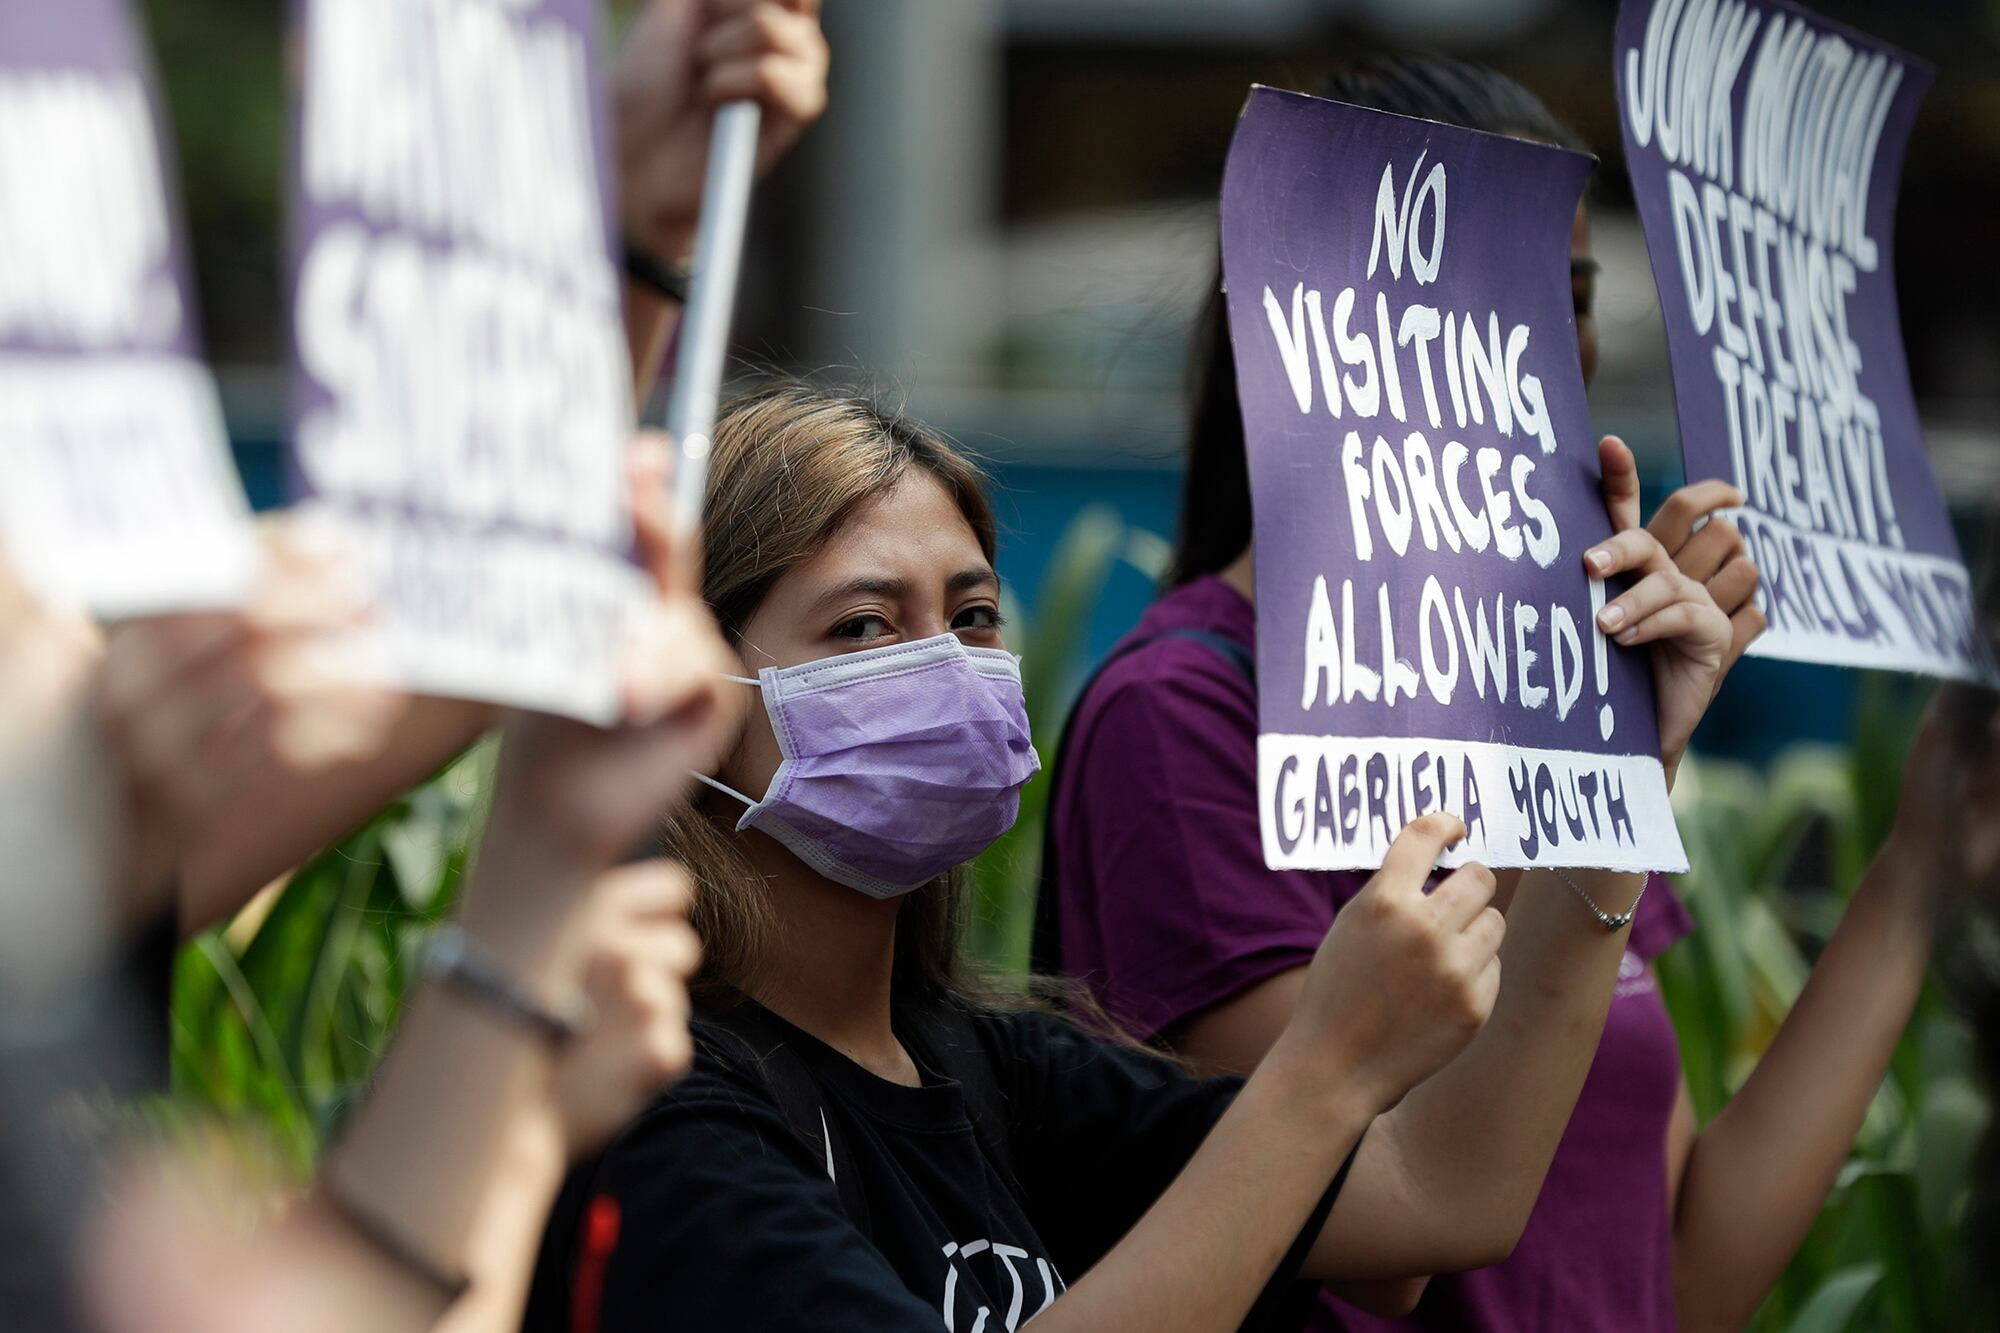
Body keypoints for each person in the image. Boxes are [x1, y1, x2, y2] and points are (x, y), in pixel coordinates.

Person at [1042, 53, 1953, 1333]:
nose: (1539, 348)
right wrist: (1583, 772)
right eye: (1494, 296)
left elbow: (1675, 1277)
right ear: (1312, 322)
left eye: (1561, 298)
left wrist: (1921, 864)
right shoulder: (1184, 717)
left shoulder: (1565, 698)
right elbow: (1384, 1240)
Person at [518, 379, 1728, 1332]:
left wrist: (1606, 772)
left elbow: (1438, 1198)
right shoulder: (659, 1114)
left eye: (975, 614)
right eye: (864, 625)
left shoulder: (1001, 1076)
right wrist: (1321, 1067)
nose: (945, 664)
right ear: (687, 692)